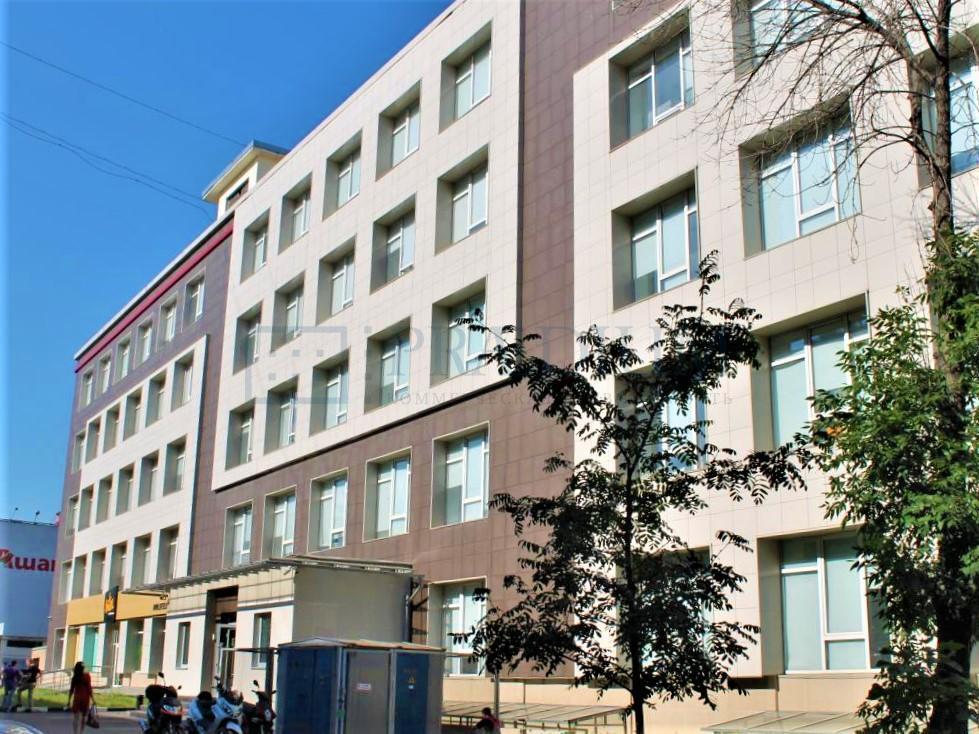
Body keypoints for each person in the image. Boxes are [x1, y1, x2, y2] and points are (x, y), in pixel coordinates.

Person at [68, 661, 95, 734]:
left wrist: (68, 701)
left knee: (76, 718)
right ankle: (80, 732)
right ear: (83, 668)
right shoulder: (87, 676)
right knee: (84, 718)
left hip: (77, 699)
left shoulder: (75, 677)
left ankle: (75, 733)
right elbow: (89, 689)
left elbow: (71, 690)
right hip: (85, 700)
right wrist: (93, 699)